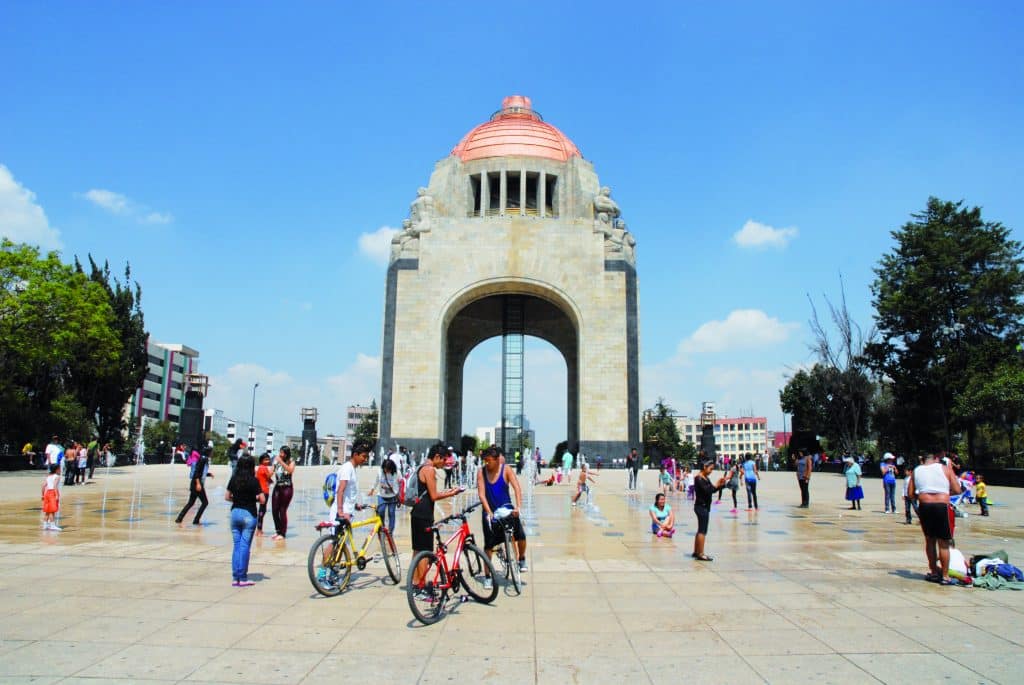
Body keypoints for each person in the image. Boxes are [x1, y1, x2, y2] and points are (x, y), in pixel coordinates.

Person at [410, 443, 463, 597]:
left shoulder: (421, 467)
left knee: (418, 551)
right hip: (424, 514)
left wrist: (446, 492)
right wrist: (452, 493)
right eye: (444, 460)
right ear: (437, 457)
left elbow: (430, 492)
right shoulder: (429, 470)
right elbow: (434, 496)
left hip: (417, 513)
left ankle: (414, 584)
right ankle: (420, 586)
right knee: (425, 552)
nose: (445, 463)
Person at [907, 452, 962, 584]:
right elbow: (957, 490)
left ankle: (933, 572)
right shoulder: (945, 469)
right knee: (943, 543)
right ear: (936, 459)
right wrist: (944, 492)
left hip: (925, 506)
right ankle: (945, 576)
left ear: (922, 460)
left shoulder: (916, 471)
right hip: (942, 506)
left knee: (930, 540)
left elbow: (910, 494)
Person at [478, 445, 527, 588]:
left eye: (489, 461)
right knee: (488, 545)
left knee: (521, 536)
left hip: (506, 509)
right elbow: (481, 494)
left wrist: (518, 507)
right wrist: (489, 511)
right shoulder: (481, 473)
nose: (487, 464)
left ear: (497, 460)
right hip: (490, 512)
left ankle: (522, 558)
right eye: (485, 461)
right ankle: (487, 576)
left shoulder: (506, 470)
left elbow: (517, 487)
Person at [225, 454, 265, 587]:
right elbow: (262, 499)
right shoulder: (254, 481)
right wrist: (253, 499)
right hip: (249, 514)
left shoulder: (234, 479)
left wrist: (237, 499)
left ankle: (235, 577)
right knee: (244, 546)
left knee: (236, 545)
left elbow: (227, 497)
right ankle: (242, 578)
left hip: (235, 512)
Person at [692, 460, 729, 561]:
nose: (711, 471)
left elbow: (711, 490)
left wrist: (721, 485)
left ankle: (696, 551)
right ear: (704, 466)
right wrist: (717, 484)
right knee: (702, 531)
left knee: (700, 530)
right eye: (710, 469)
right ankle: (701, 553)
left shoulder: (704, 478)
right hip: (701, 507)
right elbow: (708, 490)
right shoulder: (699, 478)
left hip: (703, 506)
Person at [330, 441, 371, 524]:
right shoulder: (347, 468)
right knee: (337, 537)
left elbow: (348, 493)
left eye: (367, 457)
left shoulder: (352, 468)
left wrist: (355, 505)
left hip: (348, 513)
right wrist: (340, 512)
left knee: (346, 537)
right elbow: (340, 491)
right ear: (355, 455)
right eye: (364, 456)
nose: (365, 460)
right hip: (341, 515)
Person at [175, 446, 212, 525]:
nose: (212, 453)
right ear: (208, 452)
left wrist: (209, 474)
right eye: (211, 452)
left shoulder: (203, 459)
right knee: (205, 502)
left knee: (191, 502)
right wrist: (198, 484)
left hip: (195, 483)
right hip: (197, 484)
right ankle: (196, 520)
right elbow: (196, 473)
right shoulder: (203, 459)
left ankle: (179, 518)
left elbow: (201, 472)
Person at [368, 456, 400, 534]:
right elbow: (376, 481)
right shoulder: (380, 471)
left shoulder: (396, 473)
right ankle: (381, 527)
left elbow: (400, 484)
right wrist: (372, 490)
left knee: (391, 513)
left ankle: (390, 531)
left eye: (388, 469)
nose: (386, 471)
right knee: (381, 511)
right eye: (385, 469)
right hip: (381, 496)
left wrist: (398, 494)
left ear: (391, 468)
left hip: (392, 496)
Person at [271, 446, 295, 540]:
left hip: (287, 488)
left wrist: (281, 462)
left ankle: (282, 533)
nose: (281, 454)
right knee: (274, 509)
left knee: (282, 510)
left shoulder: (291, 461)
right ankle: (278, 531)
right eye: (280, 452)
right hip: (277, 487)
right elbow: (271, 471)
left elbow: (290, 470)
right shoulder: (276, 461)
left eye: (283, 453)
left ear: (287, 454)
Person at [255, 453, 273, 536]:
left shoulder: (259, 468)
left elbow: (264, 478)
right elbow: (269, 475)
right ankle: (259, 530)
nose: (268, 461)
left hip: (261, 490)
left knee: (262, 510)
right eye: (266, 459)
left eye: (268, 459)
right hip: (264, 491)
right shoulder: (264, 468)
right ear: (261, 460)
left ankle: (259, 529)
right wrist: (273, 469)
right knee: (262, 510)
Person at [41, 464, 61, 531]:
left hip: (47, 493)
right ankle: (52, 525)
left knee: (47, 510)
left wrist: (42, 495)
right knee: (52, 510)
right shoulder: (57, 476)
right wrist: (57, 495)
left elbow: (43, 486)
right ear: (57, 469)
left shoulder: (48, 476)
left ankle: (45, 525)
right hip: (53, 493)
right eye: (59, 468)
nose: (60, 470)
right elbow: (55, 486)